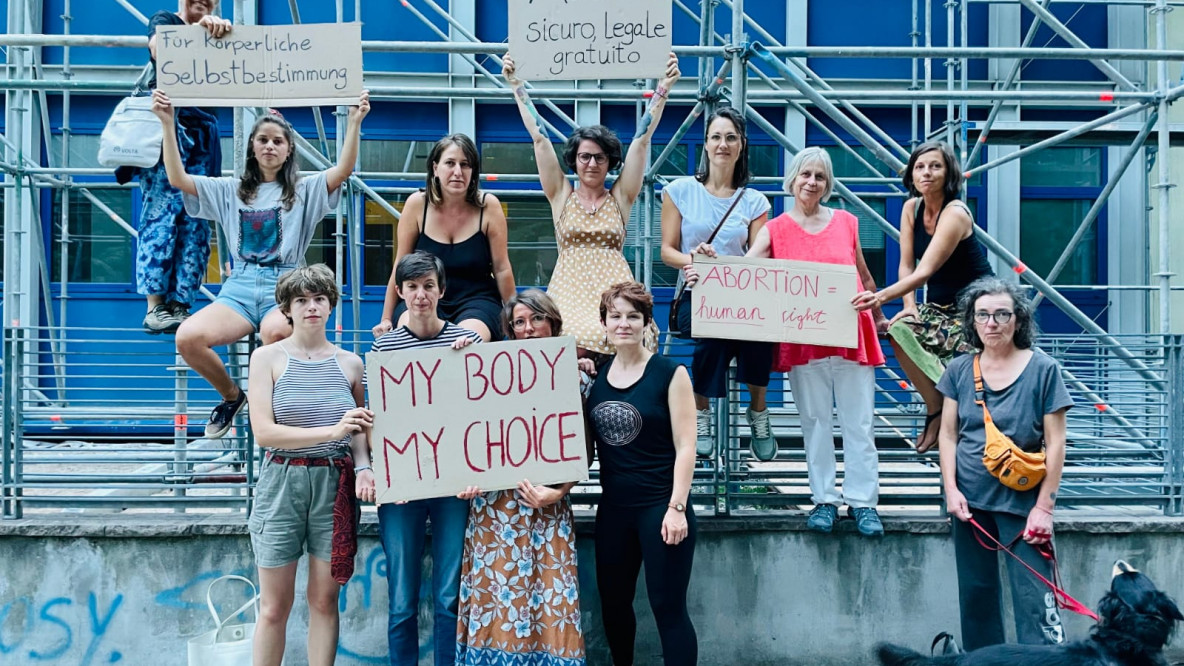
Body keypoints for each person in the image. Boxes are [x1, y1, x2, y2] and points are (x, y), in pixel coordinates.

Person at [151, 88, 369, 439]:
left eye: (278, 141)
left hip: (285, 285)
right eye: (263, 140)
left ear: (288, 150)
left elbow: (342, 170)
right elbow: (178, 179)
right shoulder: (230, 189)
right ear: (252, 147)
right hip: (238, 286)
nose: (270, 146)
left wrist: (354, 121)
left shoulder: (304, 188)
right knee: (188, 336)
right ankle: (233, 397)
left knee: (276, 332)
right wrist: (167, 122)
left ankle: (273, 415)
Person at [746, 147, 887, 536]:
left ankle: (863, 504)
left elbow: (864, 276)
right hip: (804, 339)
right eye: (806, 174)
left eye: (820, 177)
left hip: (851, 333)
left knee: (859, 423)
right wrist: (707, 267)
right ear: (792, 179)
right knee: (815, 422)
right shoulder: (773, 229)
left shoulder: (846, 221)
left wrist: (877, 311)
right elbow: (747, 269)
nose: (812, 182)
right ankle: (824, 499)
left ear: (828, 185)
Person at [502, 53, 680, 357]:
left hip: (614, 291)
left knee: (633, 333)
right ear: (574, 160)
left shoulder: (620, 197)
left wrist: (664, 87)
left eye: (600, 157)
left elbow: (642, 140)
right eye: (585, 156)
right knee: (566, 335)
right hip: (569, 291)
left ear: (610, 162)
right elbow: (540, 139)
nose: (592, 163)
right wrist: (517, 85)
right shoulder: (561, 195)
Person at [245, 264, 375, 666]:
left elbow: (358, 428)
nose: (311, 307)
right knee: (273, 607)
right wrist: (330, 431)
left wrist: (365, 465)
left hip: (333, 484)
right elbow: (265, 433)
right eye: (301, 300)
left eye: (319, 298)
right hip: (281, 480)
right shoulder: (266, 357)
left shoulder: (351, 363)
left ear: (331, 305)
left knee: (324, 600)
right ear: (287, 308)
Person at [935, 277, 1070, 650]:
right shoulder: (960, 370)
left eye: (1001, 314)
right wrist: (951, 490)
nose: (991, 323)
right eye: (983, 315)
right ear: (972, 321)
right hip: (969, 504)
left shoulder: (1043, 370)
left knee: (1035, 602)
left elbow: (1056, 443)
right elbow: (948, 435)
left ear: (1018, 319)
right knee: (976, 598)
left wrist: (1045, 508)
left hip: (1024, 506)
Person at [455, 289, 588, 666]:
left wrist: (557, 491)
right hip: (494, 515)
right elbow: (462, 436)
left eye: (537, 319)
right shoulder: (486, 376)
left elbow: (583, 452)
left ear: (553, 323)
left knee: (551, 603)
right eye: (519, 323)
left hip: (548, 512)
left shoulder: (576, 380)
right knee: (498, 605)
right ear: (509, 332)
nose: (528, 329)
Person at [370, 251, 481, 666]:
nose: (420, 295)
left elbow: (482, 416)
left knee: (450, 596)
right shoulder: (384, 348)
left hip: (454, 486)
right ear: (399, 292)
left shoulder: (467, 344)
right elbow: (374, 421)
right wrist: (388, 473)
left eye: (428, 286)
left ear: (442, 290)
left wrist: (477, 475)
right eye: (412, 287)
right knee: (402, 599)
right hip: (403, 489)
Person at [852, 141, 994, 453]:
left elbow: (925, 270)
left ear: (949, 173)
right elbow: (906, 263)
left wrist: (879, 297)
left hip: (976, 310)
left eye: (935, 166)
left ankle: (955, 412)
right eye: (920, 166)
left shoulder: (955, 213)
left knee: (959, 363)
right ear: (912, 174)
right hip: (939, 308)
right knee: (899, 331)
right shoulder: (910, 208)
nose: (926, 173)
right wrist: (909, 306)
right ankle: (937, 409)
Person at [586, 281, 697, 666]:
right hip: (615, 509)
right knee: (614, 605)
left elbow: (686, 445)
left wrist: (677, 507)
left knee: (668, 607)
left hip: (661, 508)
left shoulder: (670, 372)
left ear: (647, 322)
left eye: (633, 316)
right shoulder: (595, 376)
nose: (624, 324)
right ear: (603, 323)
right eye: (615, 316)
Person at [662, 107, 775, 460]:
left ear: (741, 145)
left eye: (730, 137)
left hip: (741, 296)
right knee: (710, 337)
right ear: (706, 144)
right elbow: (667, 252)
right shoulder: (679, 190)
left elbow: (760, 254)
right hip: (696, 293)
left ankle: (758, 410)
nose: (722, 144)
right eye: (715, 137)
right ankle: (701, 412)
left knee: (760, 332)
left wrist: (728, 267)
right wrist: (695, 260)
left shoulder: (755, 201)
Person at [128, 1, 230, 333]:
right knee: (162, 215)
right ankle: (155, 306)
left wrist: (219, 33)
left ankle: (180, 302)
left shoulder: (223, 30)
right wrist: (195, 33)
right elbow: (157, 47)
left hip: (201, 137)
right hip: (168, 133)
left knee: (196, 219)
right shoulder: (166, 20)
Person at [372, 134, 515, 342]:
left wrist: (515, 319)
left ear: (473, 171)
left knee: (466, 341)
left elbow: (502, 269)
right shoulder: (417, 205)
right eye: (450, 163)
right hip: (423, 296)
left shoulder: (489, 206)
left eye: (465, 165)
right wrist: (386, 319)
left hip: (477, 301)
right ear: (435, 168)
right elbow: (399, 267)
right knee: (407, 339)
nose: (458, 172)